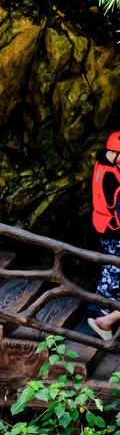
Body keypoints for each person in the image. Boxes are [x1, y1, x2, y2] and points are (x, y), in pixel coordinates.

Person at [91, 132, 120, 343]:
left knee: (111, 271)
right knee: (114, 270)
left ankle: (104, 312)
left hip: (105, 227)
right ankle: (106, 317)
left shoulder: (102, 168)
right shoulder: (113, 178)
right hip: (115, 230)